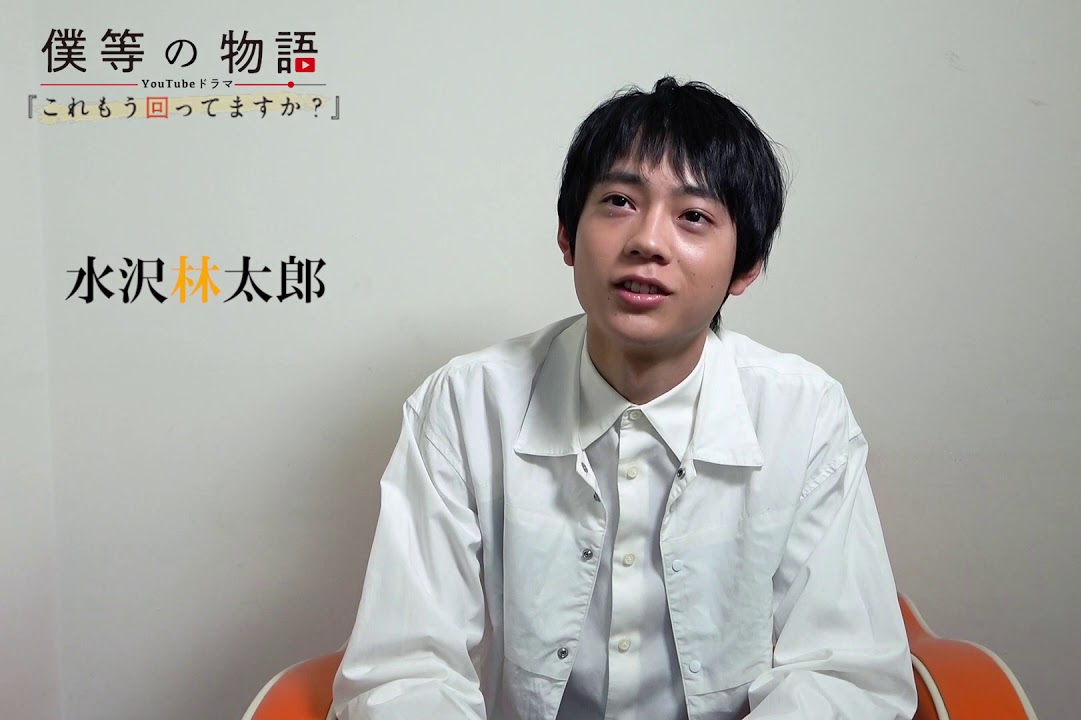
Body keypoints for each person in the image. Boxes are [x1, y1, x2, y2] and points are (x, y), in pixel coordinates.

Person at [331, 76, 917, 720]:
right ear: (566, 234)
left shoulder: (803, 416)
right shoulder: (466, 404)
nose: (648, 241)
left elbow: (846, 674)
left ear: (745, 267)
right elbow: (406, 670)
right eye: (618, 201)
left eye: (694, 216)